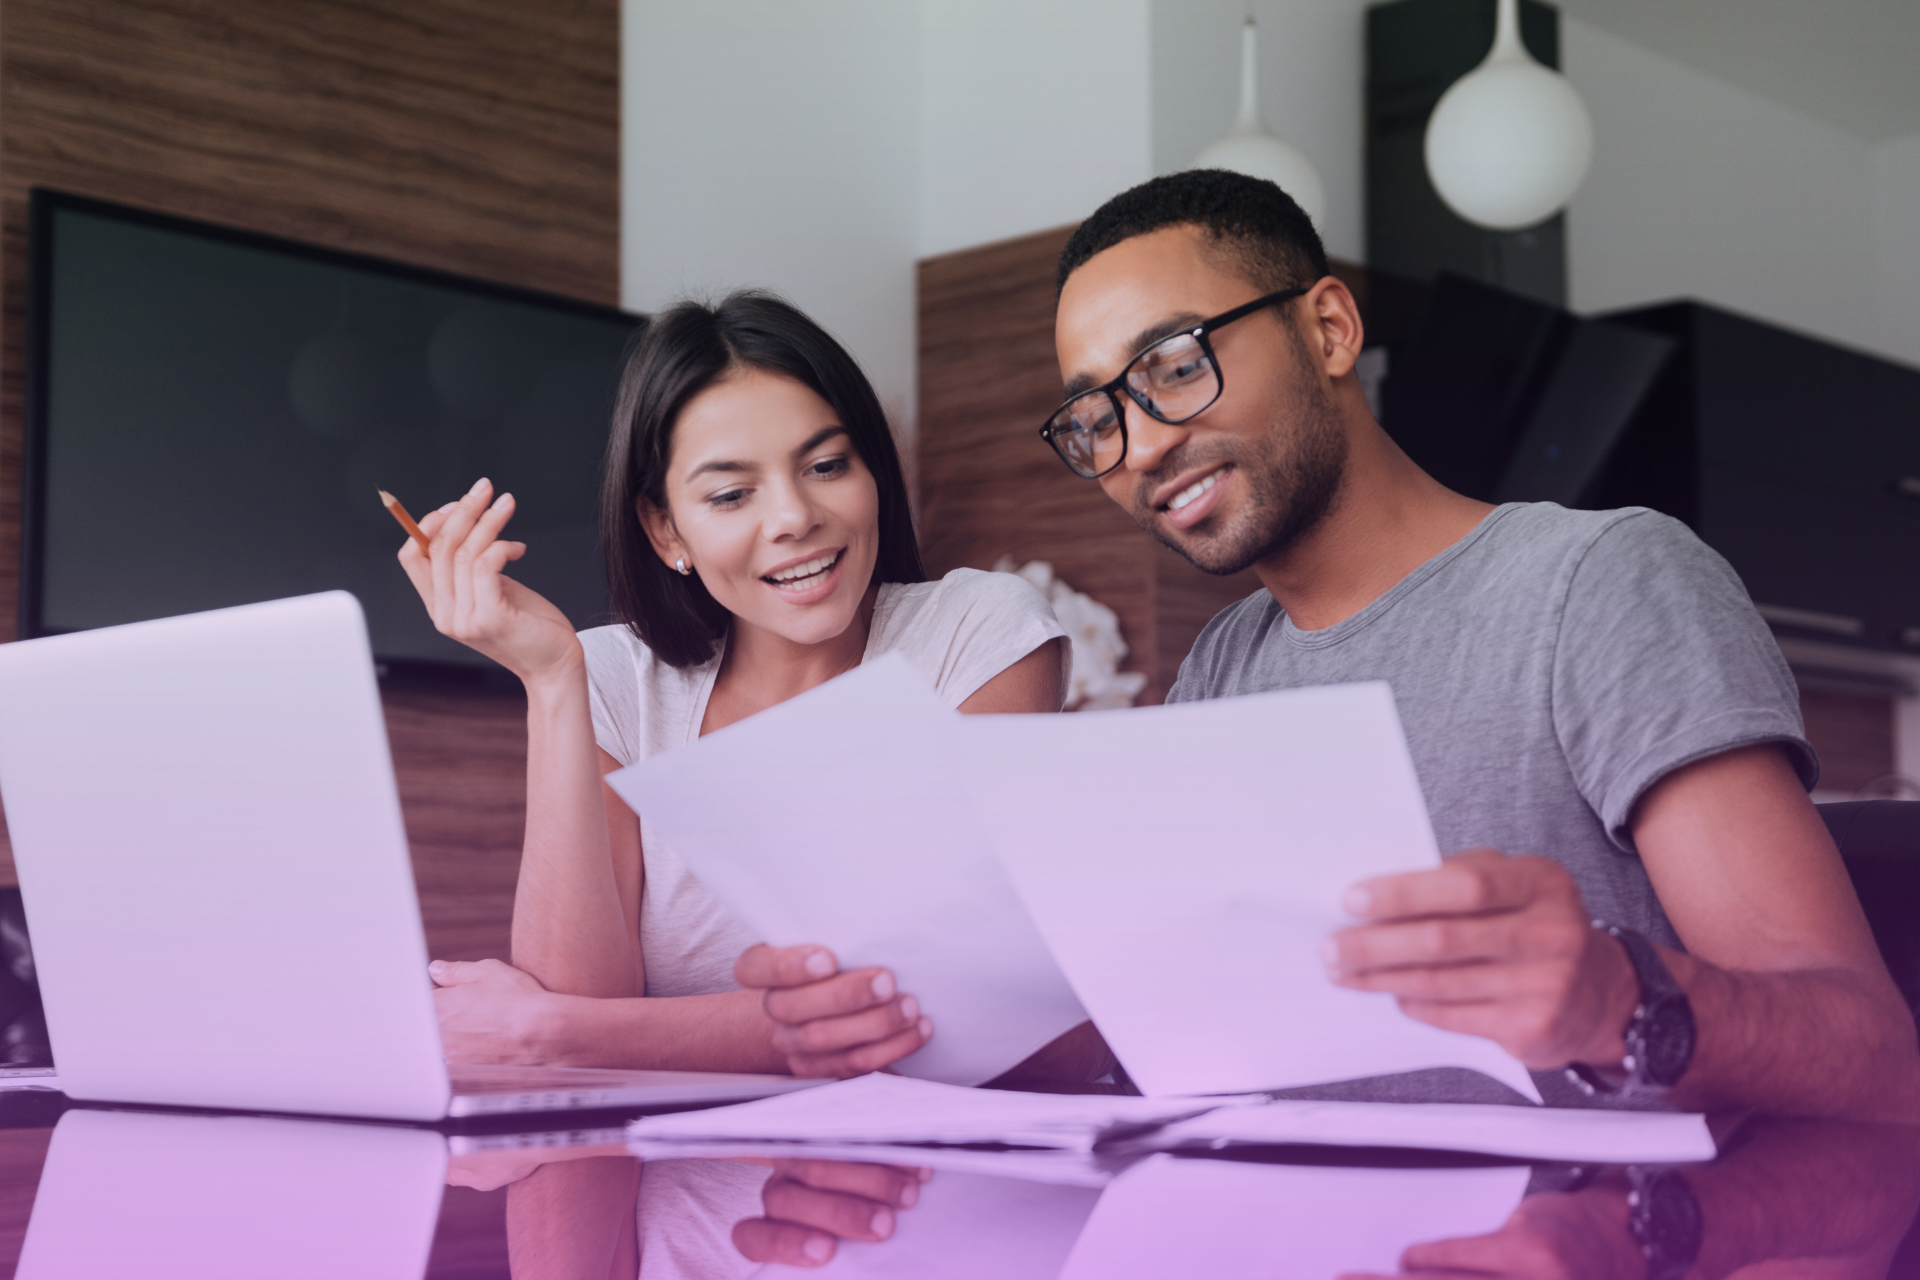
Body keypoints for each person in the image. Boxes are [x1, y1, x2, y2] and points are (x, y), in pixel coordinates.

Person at [1026, 169, 1919, 1119]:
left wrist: (1617, 997)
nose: (1142, 446)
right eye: (1096, 418)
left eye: (1172, 364)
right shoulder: (1221, 665)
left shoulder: (1600, 581)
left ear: (1328, 328)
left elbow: (1868, 1055)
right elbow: (1187, 1032)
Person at [397, 290, 1082, 1083]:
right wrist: (551, 681)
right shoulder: (616, 678)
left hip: (912, 1185)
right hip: (662, 1192)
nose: (794, 517)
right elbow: (580, 995)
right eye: (731, 494)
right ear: (666, 531)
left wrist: (555, 1033)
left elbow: (935, 1008)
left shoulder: (979, 633)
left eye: (827, 466)